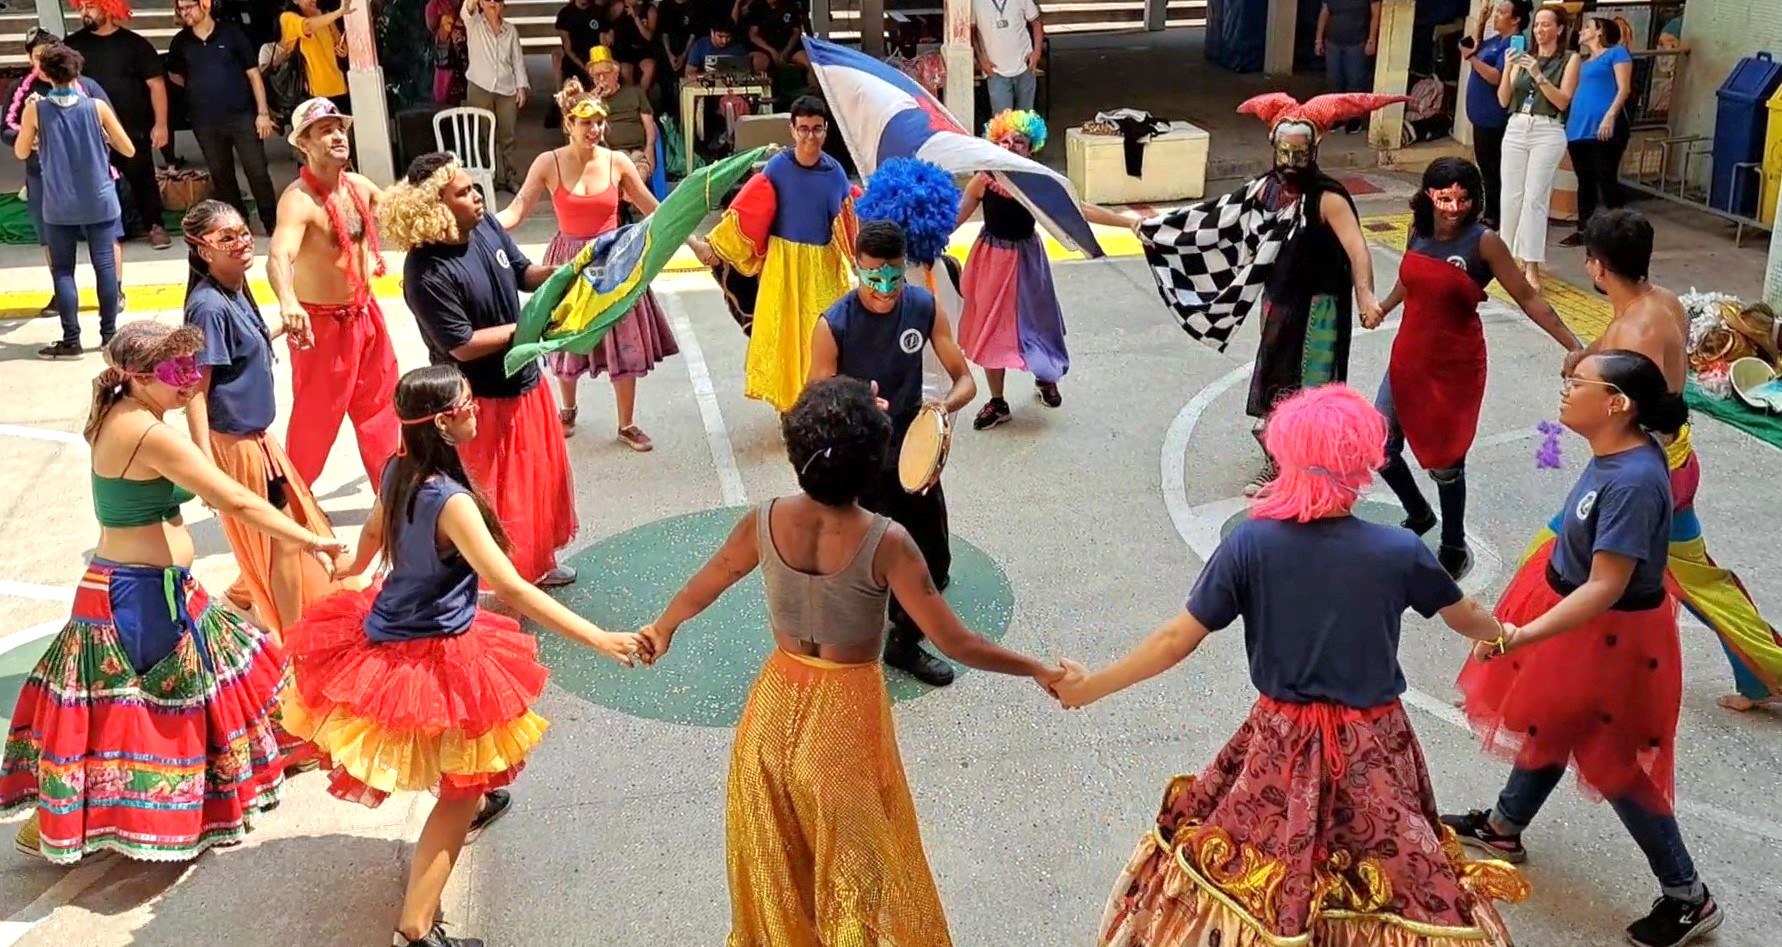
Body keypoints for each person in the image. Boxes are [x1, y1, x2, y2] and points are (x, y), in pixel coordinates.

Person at [1052, 384, 1526, 947]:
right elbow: (1464, 614)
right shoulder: (1398, 552)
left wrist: (1092, 686)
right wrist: (1501, 636)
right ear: (1364, 461)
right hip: (1373, 739)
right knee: (1396, 872)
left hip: (1280, 740)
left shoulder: (1252, 544)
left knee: (1262, 867)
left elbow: (1176, 639)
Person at [639, 375, 1064, 943]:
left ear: (796, 455)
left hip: (770, 718)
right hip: (844, 722)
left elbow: (710, 579)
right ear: (875, 463)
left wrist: (663, 627)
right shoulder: (887, 542)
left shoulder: (764, 520)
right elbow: (956, 641)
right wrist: (1035, 668)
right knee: (856, 879)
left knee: (780, 870)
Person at [281, 364, 648, 947]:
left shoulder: (398, 468)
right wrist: (601, 639)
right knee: (462, 789)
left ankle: (466, 807)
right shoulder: (452, 501)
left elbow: (375, 532)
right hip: (432, 649)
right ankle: (416, 928)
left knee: (457, 762)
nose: (477, 408)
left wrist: (349, 568)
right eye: (469, 402)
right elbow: (515, 587)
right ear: (448, 421)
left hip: (386, 628)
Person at [0, 321, 348, 864]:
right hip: (138, 599)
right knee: (153, 715)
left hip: (145, 588)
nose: (190, 380)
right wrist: (311, 539)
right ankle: (82, 821)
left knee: (207, 683)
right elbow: (233, 499)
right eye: (175, 370)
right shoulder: (146, 432)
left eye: (192, 366)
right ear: (138, 376)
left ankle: (70, 817)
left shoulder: (126, 411)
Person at [1444, 350, 1722, 947]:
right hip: (1582, 624)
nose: (1565, 391)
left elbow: (1605, 587)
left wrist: (1519, 635)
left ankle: (1687, 895)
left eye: (1578, 383)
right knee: (1552, 722)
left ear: (1618, 404)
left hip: (1610, 637)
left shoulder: (1633, 484)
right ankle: (1503, 827)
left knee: (1610, 759)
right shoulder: (1615, 455)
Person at [1550, 211, 1782, 712]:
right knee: (1698, 580)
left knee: (1695, 583)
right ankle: (1763, 675)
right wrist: (1581, 358)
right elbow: (1612, 351)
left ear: (1595, 267)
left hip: (1651, 471)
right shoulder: (1659, 302)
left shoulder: (1634, 331)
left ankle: (1518, 665)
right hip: (1665, 458)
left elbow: (1628, 406)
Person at [1134, 92, 1401, 494]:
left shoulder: (1328, 197)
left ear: (1315, 150)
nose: (1292, 163)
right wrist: (1156, 226)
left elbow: (1357, 249)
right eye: (1285, 153)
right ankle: (1278, 463)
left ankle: (1305, 470)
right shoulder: (1265, 190)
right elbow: (1213, 220)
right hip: (1278, 302)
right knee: (1277, 382)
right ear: (1273, 148)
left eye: (1300, 154)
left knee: (1311, 387)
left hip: (1321, 307)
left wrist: (1365, 295)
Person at [1368, 158, 1581, 578]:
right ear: (1428, 194)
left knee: (1448, 460)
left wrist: (1575, 345)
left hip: (1454, 365)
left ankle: (1453, 543)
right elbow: (1409, 281)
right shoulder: (1417, 230)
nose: (1453, 207)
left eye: (1463, 198)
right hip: (1408, 355)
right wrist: (1382, 309)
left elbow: (1528, 298)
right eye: (1444, 197)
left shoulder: (1485, 243)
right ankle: (1419, 513)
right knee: (1379, 445)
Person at [383, 151, 579, 588]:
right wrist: (531, 327)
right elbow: (463, 345)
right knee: (496, 494)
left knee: (537, 485)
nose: (477, 196)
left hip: (525, 382)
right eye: (463, 192)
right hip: (478, 400)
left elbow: (524, 273)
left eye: (474, 187)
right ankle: (503, 580)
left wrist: (565, 273)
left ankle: (535, 565)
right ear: (435, 208)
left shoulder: (486, 226)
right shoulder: (425, 270)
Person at [807, 220, 978, 687]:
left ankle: (902, 645)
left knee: (934, 566)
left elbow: (965, 380)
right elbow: (813, 403)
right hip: (860, 461)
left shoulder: (923, 306)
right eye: (872, 278)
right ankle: (852, 639)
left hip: (913, 459)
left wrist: (942, 407)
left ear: (904, 269)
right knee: (857, 568)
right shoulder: (833, 325)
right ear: (856, 269)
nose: (884, 289)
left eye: (893, 278)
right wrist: (859, 404)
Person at [181, 200, 347, 637]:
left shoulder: (235, 291)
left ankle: (245, 601)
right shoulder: (209, 307)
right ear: (204, 251)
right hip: (235, 446)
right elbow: (197, 387)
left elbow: (239, 350)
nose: (240, 243)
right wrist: (205, 466)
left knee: (291, 528)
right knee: (283, 543)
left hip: (258, 441)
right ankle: (290, 635)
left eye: (242, 232)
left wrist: (279, 328)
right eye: (226, 238)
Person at [498, 82, 688, 450]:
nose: (594, 129)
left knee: (623, 337)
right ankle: (567, 409)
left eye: (599, 122)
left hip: (614, 261)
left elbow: (652, 207)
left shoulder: (618, 162)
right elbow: (516, 210)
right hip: (568, 262)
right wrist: (478, 224)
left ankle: (626, 423)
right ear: (568, 123)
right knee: (567, 339)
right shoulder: (547, 162)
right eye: (585, 122)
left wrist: (691, 238)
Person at [955, 110, 1139, 428]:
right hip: (991, 261)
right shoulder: (984, 178)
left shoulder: (1038, 181)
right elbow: (953, 219)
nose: (1011, 145)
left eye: (1020, 141)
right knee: (991, 331)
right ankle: (997, 402)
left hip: (1027, 261)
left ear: (1032, 148)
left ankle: (1045, 377)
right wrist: (921, 242)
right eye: (1004, 140)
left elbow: (1078, 210)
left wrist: (1129, 222)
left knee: (1038, 324)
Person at [266, 97, 401, 491]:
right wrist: (288, 302)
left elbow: (402, 210)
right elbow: (278, 253)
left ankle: (391, 490)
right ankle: (295, 498)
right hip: (323, 326)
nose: (338, 135)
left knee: (381, 408)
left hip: (366, 314)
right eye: (325, 130)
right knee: (316, 418)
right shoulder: (298, 200)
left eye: (340, 127)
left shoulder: (358, 186)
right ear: (303, 144)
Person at [708, 96, 858, 413]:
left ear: (826, 130)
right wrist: (718, 246)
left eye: (816, 129)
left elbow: (851, 224)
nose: (810, 136)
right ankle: (791, 408)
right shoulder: (777, 168)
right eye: (803, 129)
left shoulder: (837, 173)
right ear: (792, 130)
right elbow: (751, 210)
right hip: (783, 265)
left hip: (824, 267)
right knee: (787, 336)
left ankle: (824, 404)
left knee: (826, 337)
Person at [13, 44, 131, 362]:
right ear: (77, 72)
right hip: (100, 199)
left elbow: (22, 152)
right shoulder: (96, 107)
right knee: (105, 267)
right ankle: (109, 335)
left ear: (46, 74)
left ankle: (71, 338)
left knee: (63, 270)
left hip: (58, 201)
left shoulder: (35, 110)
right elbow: (129, 149)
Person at [65, 0, 171, 253]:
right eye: (80, 7)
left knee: (142, 177)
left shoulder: (135, 44)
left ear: (108, 6)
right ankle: (111, 231)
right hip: (90, 130)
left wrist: (161, 124)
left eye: (89, 6)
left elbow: (156, 85)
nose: (83, 13)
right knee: (97, 181)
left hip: (133, 127)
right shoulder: (72, 46)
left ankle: (154, 225)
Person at [167, 0, 279, 236]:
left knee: (257, 170)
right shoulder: (180, 42)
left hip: (242, 116)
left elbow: (254, 75)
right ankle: (237, 222)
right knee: (221, 173)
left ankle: (271, 221)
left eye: (189, 7)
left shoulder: (232, 34)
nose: (184, 12)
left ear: (204, 5)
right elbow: (174, 74)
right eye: (181, 9)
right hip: (204, 120)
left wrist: (263, 113)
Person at [1496, 4, 1578, 291]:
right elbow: (1503, 100)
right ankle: (1505, 260)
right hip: (1517, 125)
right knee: (1511, 195)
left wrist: (1538, 74)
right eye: (1537, 25)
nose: (1540, 30)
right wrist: (1509, 67)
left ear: (1560, 29)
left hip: (1548, 127)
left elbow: (1562, 101)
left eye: (1546, 25)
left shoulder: (1570, 59)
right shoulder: (1522, 57)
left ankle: (1531, 266)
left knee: (1535, 197)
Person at [1559, 15, 1633, 249]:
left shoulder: (1616, 54)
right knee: (1585, 180)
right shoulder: (1580, 61)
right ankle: (1584, 229)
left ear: (1599, 31)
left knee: (1606, 176)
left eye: (1587, 27)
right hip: (1578, 127)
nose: (1582, 31)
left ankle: (1619, 231)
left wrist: (1610, 116)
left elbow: (1624, 89)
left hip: (1604, 125)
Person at [1460, 0, 1531, 228]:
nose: (1497, 16)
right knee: (1486, 166)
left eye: (1502, 12)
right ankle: (1490, 209)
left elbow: (1497, 77)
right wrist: (1480, 22)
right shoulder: (1494, 40)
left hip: (1495, 117)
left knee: (1494, 168)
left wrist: (1471, 59)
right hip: (1480, 115)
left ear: (1516, 19)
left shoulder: (1516, 43)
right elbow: (1473, 44)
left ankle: (1496, 215)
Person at [463, 0, 530, 194]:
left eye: (497, 0)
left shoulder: (510, 30)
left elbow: (517, 61)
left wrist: (521, 87)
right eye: (488, 0)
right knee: (483, 135)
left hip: (506, 88)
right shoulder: (473, 22)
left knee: (507, 136)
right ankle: (487, 178)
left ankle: (510, 177)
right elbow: (467, 9)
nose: (493, 3)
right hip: (479, 85)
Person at [584, 45, 657, 182]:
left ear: (616, 74)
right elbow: (584, 129)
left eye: (605, 74)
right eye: (596, 76)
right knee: (615, 174)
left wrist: (650, 149)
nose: (601, 79)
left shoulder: (635, 92)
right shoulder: (591, 101)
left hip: (637, 152)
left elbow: (649, 124)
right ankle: (623, 200)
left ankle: (627, 199)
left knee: (638, 173)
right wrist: (595, 101)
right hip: (608, 153)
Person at [276, 0, 351, 114]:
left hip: (339, 86)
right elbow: (308, 26)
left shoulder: (326, 15)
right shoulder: (288, 18)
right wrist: (339, 13)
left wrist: (342, 50)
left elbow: (339, 44)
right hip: (313, 93)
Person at [970, 0, 1042, 115]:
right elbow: (972, 31)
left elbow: (1036, 22)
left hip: (1025, 66)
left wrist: (1037, 52)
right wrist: (981, 60)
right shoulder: (975, 2)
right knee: (1003, 123)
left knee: (1025, 120)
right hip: (996, 70)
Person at [1315, 0, 1381, 123]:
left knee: (1355, 81)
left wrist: (1371, 40)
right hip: (1333, 43)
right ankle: (1337, 116)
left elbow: (1376, 14)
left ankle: (1354, 118)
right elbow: (1324, 12)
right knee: (1334, 80)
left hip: (1357, 43)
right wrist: (1318, 40)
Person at [552, 0, 610, 94]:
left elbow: (603, 41)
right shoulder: (565, 14)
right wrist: (585, 67)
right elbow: (568, 49)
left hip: (595, 60)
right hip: (574, 61)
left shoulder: (598, 12)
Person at [744, 0, 808, 77]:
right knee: (759, 63)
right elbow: (753, 35)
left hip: (789, 47)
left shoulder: (790, 6)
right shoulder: (756, 8)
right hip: (765, 48)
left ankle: (814, 87)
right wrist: (772, 51)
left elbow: (796, 32)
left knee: (811, 63)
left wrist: (786, 51)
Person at [424, 0, 470, 105]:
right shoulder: (435, 6)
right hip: (446, 69)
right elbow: (431, 23)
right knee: (444, 109)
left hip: (469, 67)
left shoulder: (468, 4)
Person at [608, 0, 659, 94]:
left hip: (643, 48)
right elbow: (606, 23)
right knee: (625, 71)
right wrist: (610, 31)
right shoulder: (619, 7)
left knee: (650, 67)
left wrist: (636, 18)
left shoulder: (650, 10)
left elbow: (649, 37)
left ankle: (641, 98)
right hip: (625, 48)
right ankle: (632, 99)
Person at [683, 16, 748, 76]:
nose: (724, 41)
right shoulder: (699, 46)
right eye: (720, 36)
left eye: (728, 37)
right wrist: (711, 75)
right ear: (712, 32)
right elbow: (689, 73)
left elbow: (746, 72)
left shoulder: (738, 48)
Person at [656, 0, 705, 77]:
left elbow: (694, 33)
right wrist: (670, 55)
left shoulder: (696, 5)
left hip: (688, 46)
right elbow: (664, 32)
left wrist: (684, 55)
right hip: (668, 46)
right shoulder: (664, 4)